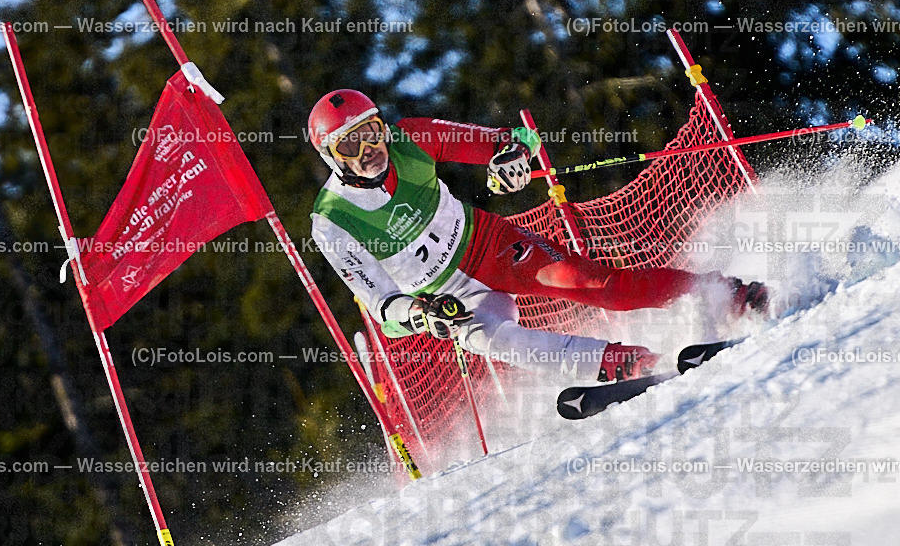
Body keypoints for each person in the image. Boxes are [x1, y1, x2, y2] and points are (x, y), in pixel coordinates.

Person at [308, 90, 767, 382]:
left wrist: (509, 158)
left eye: (371, 133)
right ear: (331, 157)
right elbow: (383, 309)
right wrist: (422, 315)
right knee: (495, 341)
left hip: (490, 246)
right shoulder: (332, 221)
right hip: (445, 298)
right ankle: (622, 363)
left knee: (592, 284)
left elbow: (515, 139)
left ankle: (727, 294)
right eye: (350, 144)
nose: (369, 150)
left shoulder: (410, 137)